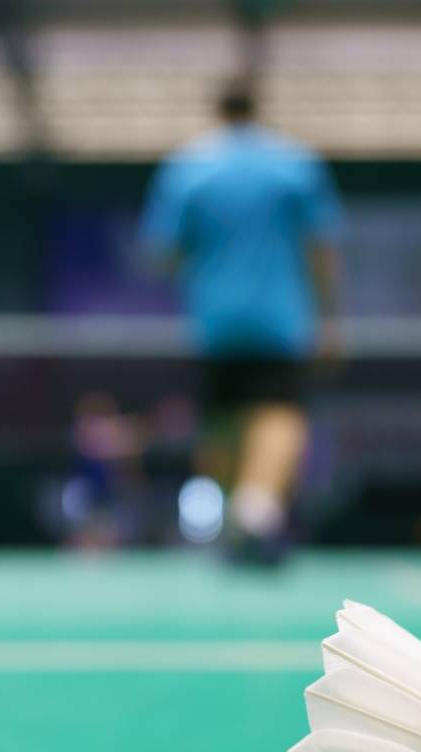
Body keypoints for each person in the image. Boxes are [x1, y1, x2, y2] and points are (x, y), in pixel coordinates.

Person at [141, 78, 342, 565]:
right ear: (258, 107)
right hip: (280, 319)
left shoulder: (186, 170)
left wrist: (208, 257)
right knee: (279, 414)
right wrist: (330, 318)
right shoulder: (295, 165)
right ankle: (255, 512)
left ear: (218, 109)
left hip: (214, 321)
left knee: (224, 420)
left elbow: (162, 253)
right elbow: (321, 249)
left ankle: (239, 516)